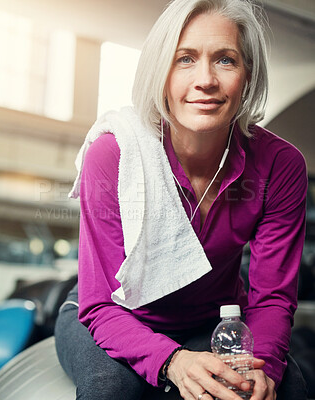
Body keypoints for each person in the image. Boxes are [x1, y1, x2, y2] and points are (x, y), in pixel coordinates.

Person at [55, 0, 308, 399]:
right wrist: (173, 361)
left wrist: (268, 370)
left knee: (287, 386)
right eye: (185, 59)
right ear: (161, 72)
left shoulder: (280, 165)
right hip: (113, 314)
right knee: (111, 389)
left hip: (211, 319)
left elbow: (272, 297)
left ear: (248, 75)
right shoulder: (114, 154)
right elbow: (100, 305)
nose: (205, 79)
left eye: (225, 60)